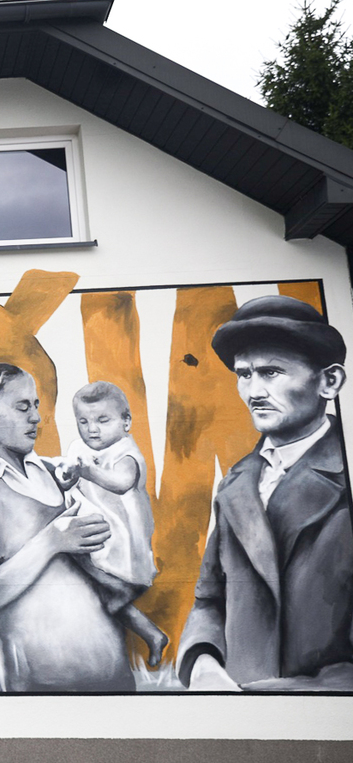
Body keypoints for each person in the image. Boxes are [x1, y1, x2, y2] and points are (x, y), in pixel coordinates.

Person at [178, 295, 353, 691]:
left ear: (329, 381)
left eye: (271, 372)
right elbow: (210, 600)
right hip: (235, 709)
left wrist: (263, 695)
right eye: (244, 374)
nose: (253, 391)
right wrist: (203, 663)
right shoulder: (237, 483)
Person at [0, 362, 134, 692]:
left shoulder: (56, 473)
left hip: (107, 676)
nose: (36, 417)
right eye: (22, 407)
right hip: (24, 688)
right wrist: (51, 541)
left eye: (36, 406)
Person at [56, 381, 167, 667]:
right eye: (83, 421)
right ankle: (152, 635)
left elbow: (121, 483)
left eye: (102, 421)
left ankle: (138, 625)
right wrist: (67, 475)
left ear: (125, 422)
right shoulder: (78, 448)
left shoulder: (126, 453)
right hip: (93, 527)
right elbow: (69, 480)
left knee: (107, 594)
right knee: (103, 596)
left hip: (119, 535)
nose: (92, 429)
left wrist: (87, 471)